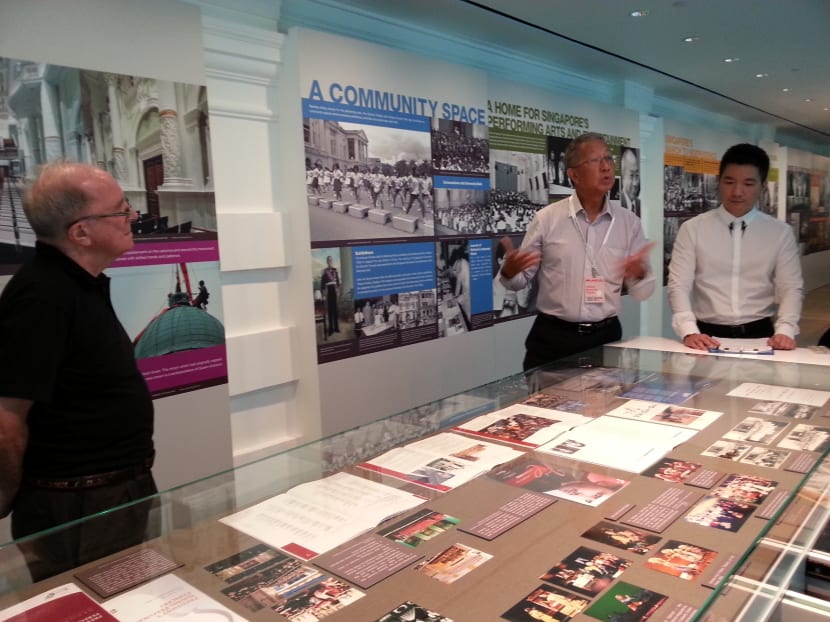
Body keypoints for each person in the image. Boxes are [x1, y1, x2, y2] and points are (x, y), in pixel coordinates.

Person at [0, 161, 157, 581]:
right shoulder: (42, 295)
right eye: (121, 210)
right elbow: (6, 419)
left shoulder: (75, 284)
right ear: (81, 232)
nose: (133, 217)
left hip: (106, 496)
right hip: (79, 506)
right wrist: (12, 497)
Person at [498, 133, 655, 371]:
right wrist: (509, 272)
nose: (606, 167)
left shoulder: (629, 223)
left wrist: (639, 274)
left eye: (609, 159)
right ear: (573, 174)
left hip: (606, 338)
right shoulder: (547, 219)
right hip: (554, 339)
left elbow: (643, 292)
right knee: (543, 408)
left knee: (605, 407)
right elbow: (518, 282)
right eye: (594, 161)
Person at [667, 143, 803, 351]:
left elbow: (790, 287)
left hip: (761, 335)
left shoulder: (779, 233)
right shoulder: (693, 229)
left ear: (762, 186)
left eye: (748, 183)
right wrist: (688, 330)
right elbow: (678, 285)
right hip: (705, 335)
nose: (737, 192)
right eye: (729, 182)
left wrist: (785, 330)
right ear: (719, 182)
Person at [320, 255, 340, 336]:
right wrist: (323, 294)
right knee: (330, 310)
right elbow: (322, 283)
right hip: (328, 291)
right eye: (329, 260)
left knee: (335, 310)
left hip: (334, 291)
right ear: (327, 262)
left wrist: (338, 290)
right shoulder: (325, 271)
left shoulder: (335, 270)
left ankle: (336, 328)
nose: (330, 261)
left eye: (331, 260)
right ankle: (331, 329)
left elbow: (337, 282)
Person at [620, 147, 641, 216]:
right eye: (631, 175)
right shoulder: (617, 205)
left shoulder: (640, 205)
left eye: (637, 175)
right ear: (623, 176)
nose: (635, 183)